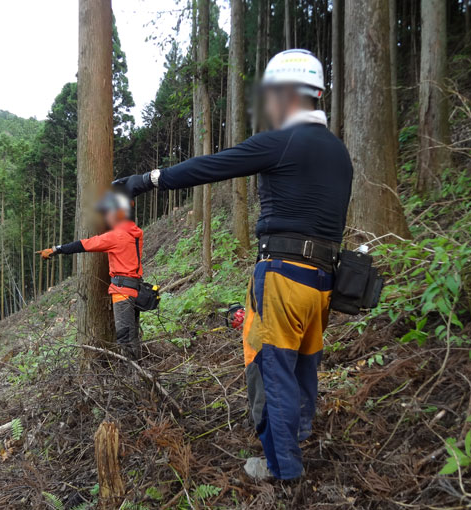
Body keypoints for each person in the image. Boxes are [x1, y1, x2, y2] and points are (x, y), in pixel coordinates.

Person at [113, 49, 353, 481]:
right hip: (323, 281)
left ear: (286, 94)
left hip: (282, 276)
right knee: (304, 365)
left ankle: (284, 473)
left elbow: (208, 167)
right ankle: (297, 440)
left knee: (272, 370)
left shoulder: (281, 142)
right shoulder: (338, 152)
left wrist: (143, 181)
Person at [37, 190, 144, 360]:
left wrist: (56, 249)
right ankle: (140, 370)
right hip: (135, 288)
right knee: (132, 335)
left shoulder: (117, 236)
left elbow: (84, 244)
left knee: (125, 337)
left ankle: (133, 375)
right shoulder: (135, 232)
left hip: (122, 292)